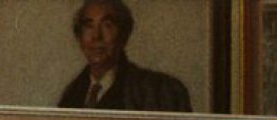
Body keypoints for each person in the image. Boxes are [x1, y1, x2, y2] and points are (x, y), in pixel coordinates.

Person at [57, 0, 192, 113]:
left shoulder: (160, 91)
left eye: (107, 25)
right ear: (79, 38)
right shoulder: (71, 94)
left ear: (123, 35)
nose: (96, 36)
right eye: (89, 26)